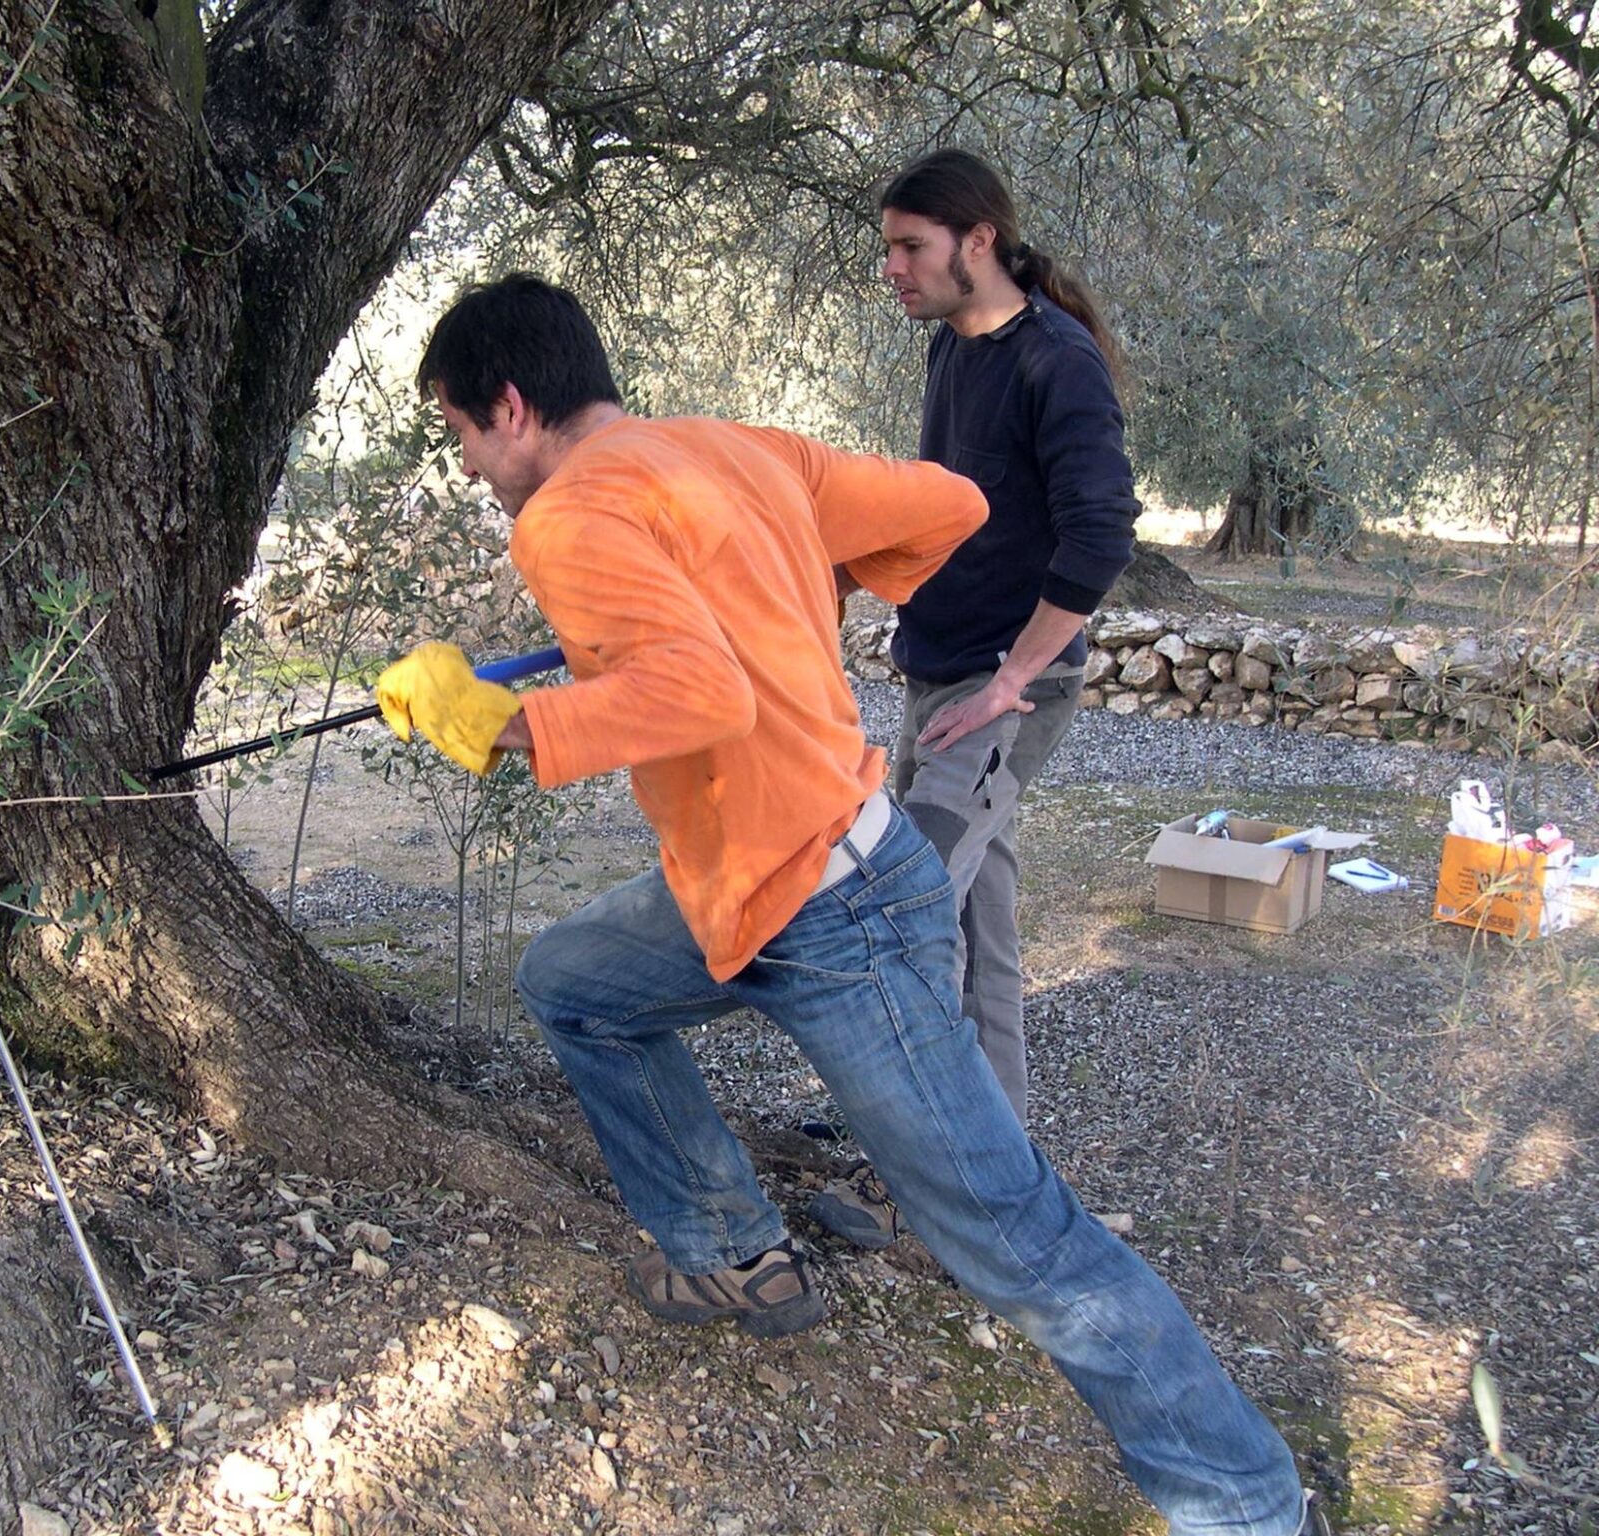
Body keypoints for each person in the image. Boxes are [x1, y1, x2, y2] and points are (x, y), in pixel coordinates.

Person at [377, 273, 1324, 1536]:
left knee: (1015, 1242)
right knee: (574, 984)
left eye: (458, 432)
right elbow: (950, 506)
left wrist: (496, 721)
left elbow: (699, 696)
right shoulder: (736, 453)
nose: (466, 463)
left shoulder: (564, 516)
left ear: (507, 405)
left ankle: (1251, 1507)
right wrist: (801, 574)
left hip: (838, 915)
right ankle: (731, 1251)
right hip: (747, 885)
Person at [811, 148, 1141, 1250]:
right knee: (974, 917)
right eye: (888, 248)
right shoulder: (952, 348)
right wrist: (839, 571)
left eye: (910, 246)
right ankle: (999, 1171)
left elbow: (1100, 537)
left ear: (978, 240)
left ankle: (913, 1173)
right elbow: (936, 510)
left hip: (1006, 691)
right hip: (938, 672)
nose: (892, 268)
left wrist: (1009, 682)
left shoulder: (1058, 362)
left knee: (899, 908)